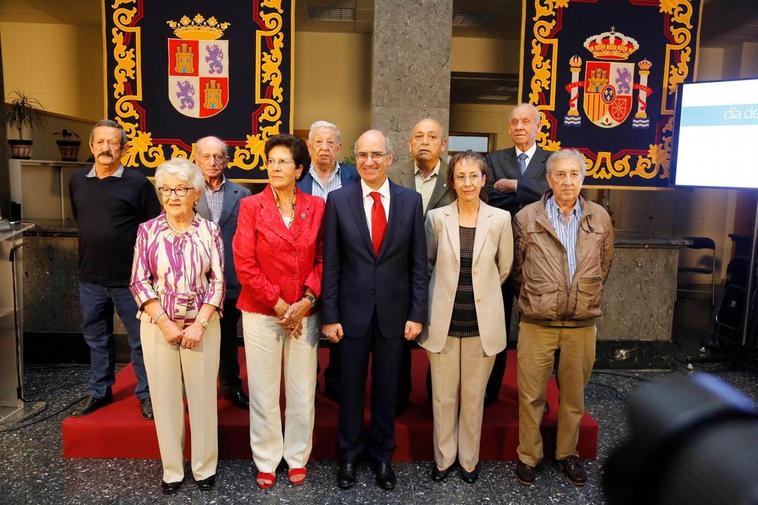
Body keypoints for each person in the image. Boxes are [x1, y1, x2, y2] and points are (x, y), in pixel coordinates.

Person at [321, 130, 427, 491]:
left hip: (395, 316)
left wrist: (417, 314)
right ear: (355, 158)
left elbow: (417, 265)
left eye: (376, 155)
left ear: (390, 159)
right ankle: (348, 455)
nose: (369, 162)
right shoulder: (338, 200)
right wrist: (329, 316)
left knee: (387, 390)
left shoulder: (410, 202)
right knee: (350, 390)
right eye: (362, 155)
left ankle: (383, 456)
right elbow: (331, 263)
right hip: (350, 315)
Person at [512, 148, 614, 487]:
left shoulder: (600, 217)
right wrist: (536, 298)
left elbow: (605, 265)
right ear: (549, 178)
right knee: (531, 396)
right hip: (537, 323)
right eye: (560, 174)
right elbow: (516, 270)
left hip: (581, 325)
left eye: (573, 174)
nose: (567, 180)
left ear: (582, 178)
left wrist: (583, 295)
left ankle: (567, 453)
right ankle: (529, 455)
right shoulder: (526, 217)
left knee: (574, 397)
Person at [233, 134, 325, 489]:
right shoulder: (251, 206)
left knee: (302, 389)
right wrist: (280, 305)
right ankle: (268, 459)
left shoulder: (316, 207)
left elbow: (322, 258)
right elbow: (245, 261)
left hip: (305, 312)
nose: (275, 167)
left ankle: (297, 456)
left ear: (300, 168)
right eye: (271, 161)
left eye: (283, 161)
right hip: (261, 312)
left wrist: (305, 301)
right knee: (263, 390)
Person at [129, 158, 225, 494]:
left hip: (203, 325)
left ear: (195, 193)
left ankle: (203, 468)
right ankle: (172, 470)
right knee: (165, 399)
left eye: (180, 189)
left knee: (202, 398)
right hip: (159, 326)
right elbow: (139, 281)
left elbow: (218, 281)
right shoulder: (147, 231)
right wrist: (165, 323)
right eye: (165, 189)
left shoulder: (210, 231)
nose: (172, 196)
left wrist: (200, 323)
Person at [420, 151, 513, 484]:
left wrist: (479, 291)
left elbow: (503, 269)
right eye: (461, 176)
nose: (468, 182)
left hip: (480, 321)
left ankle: (469, 460)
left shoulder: (500, 219)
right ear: (452, 182)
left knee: (473, 397)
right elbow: (427, 264)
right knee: (444, 396)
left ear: (484, 179)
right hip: (443, 320)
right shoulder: (436, 218)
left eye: (474, 175)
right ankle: (444, 459)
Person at [68, 119, 161, 419]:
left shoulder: (137, 184)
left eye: (113, 143)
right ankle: (99, 391)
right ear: (92, 145)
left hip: (130, 281)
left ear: (123, 148)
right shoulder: (77, 181)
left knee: (140, 341)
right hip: (90, 278)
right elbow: (79, 217)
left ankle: (147, 394)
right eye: (101, 142)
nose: (106, 148)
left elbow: (154, 228)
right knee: (97, 338)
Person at [484, 103, 550, 406]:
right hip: (499, 256)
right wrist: (530, 191)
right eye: (514, 122)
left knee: (535, 333)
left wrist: (515, 185)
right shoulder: (494, 159)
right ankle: (490, 392)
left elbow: (555, 193)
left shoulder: (552, 161)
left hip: (539, 260)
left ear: (538, 126)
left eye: (526, 122)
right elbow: (490, 196)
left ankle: (534, 396)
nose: (519, 127)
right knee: (496, 327)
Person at [297, 120, 360, 403]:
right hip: (305, 265)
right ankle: (308, 381)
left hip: (344, 265)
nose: (324, 148)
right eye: (318, 142)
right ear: (309, 146)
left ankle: (335, 383)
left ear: (339, 148)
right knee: (307, 328)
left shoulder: (353, 178)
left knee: (339, 327)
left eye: (330, 142)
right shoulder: (297, 180)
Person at [394, 117, 454, 412]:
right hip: (400, 275)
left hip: (443, 274)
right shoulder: (395, 176)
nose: (425, 142)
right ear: (410, 144)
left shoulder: (456, 178)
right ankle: (398, 397)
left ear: (443, 144)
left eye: (432, 137)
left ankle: (436, 399)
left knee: (439, 341)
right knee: (399, 341)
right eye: (419, 136)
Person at [194, 135, 251, 409]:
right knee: (196, 339)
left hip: (230, 281)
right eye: (206, 156)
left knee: (228, 339)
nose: (212, 161)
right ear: (196, 159)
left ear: (227, 160)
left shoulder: (243, 195)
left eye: (218, 156)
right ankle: (197, 391)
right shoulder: (186, 192)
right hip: (194, 283)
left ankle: (231, 386)